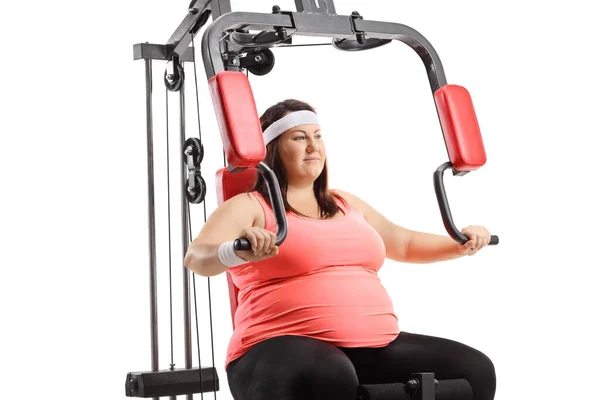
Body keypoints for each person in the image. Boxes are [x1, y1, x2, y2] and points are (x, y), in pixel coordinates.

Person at [184, 99, 496, 400]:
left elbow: (403, 243)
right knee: (328, 377)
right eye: (299, 137)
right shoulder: (250, 206)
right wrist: (236, 251)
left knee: (473, 372)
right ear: (273, 149)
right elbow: (196, 258)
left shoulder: (346, 203)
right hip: (276, 349)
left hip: (373, 347)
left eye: (318, 136)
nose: (313, 146)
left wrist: (461, 243)